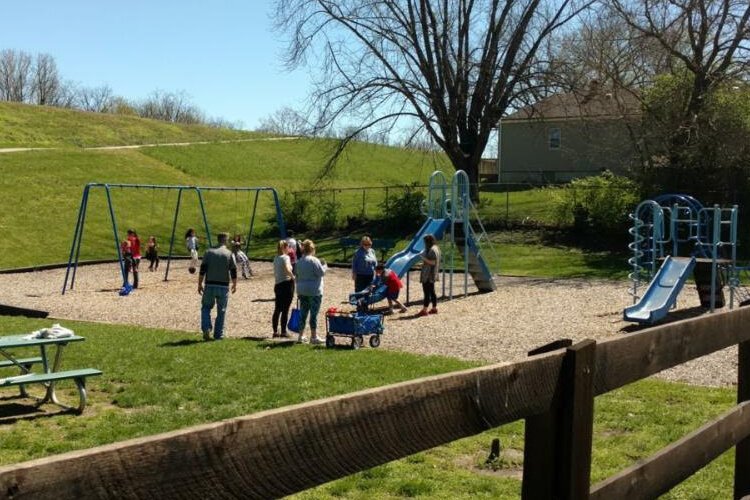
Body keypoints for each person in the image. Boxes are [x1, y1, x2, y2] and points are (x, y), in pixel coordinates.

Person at [197, 232, 237, 341]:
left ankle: (206, 328)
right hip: (223, 286)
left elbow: (202, 269)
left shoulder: (208, 252)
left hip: (209, 284)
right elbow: (233, 270)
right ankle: (218, 335)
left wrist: (199, 283)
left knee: (205, 307)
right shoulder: (229, 254)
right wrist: (234, 284)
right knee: (221, 311)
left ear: (218, 239)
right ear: (226, 240)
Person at [294, 239, 327, 345]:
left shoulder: (299, 261)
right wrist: (325, 266)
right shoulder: (314, 260)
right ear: (312, 249)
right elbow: (321, 273)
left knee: (303, 313)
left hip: (302, 289)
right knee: (313, 314)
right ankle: (313, 336)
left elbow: (297, 275)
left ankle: (300, 335)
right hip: (314, 290)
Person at [272, 240, 295, 338]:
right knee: (285, 309)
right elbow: (287, 268)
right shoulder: (286, 257)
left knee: (277, 309)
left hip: (278, 284)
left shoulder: (276, 258)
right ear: (285, 247)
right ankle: (283, 331)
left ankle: (275, 331)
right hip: (286, 284)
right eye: (288, 247)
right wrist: (293, 276)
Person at [417, 233, 440, 317]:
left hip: (428, 275)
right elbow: (431, 261)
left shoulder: (432, 250)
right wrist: (423, 263)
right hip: (432, 273)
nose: (424, 244)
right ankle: (434, 308)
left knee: (427, 292)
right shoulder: (436, 248)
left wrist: (423, 258)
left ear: (428, 242)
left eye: (425, 242)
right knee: (432, 292)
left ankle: (424, 310)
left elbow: (433, 262)